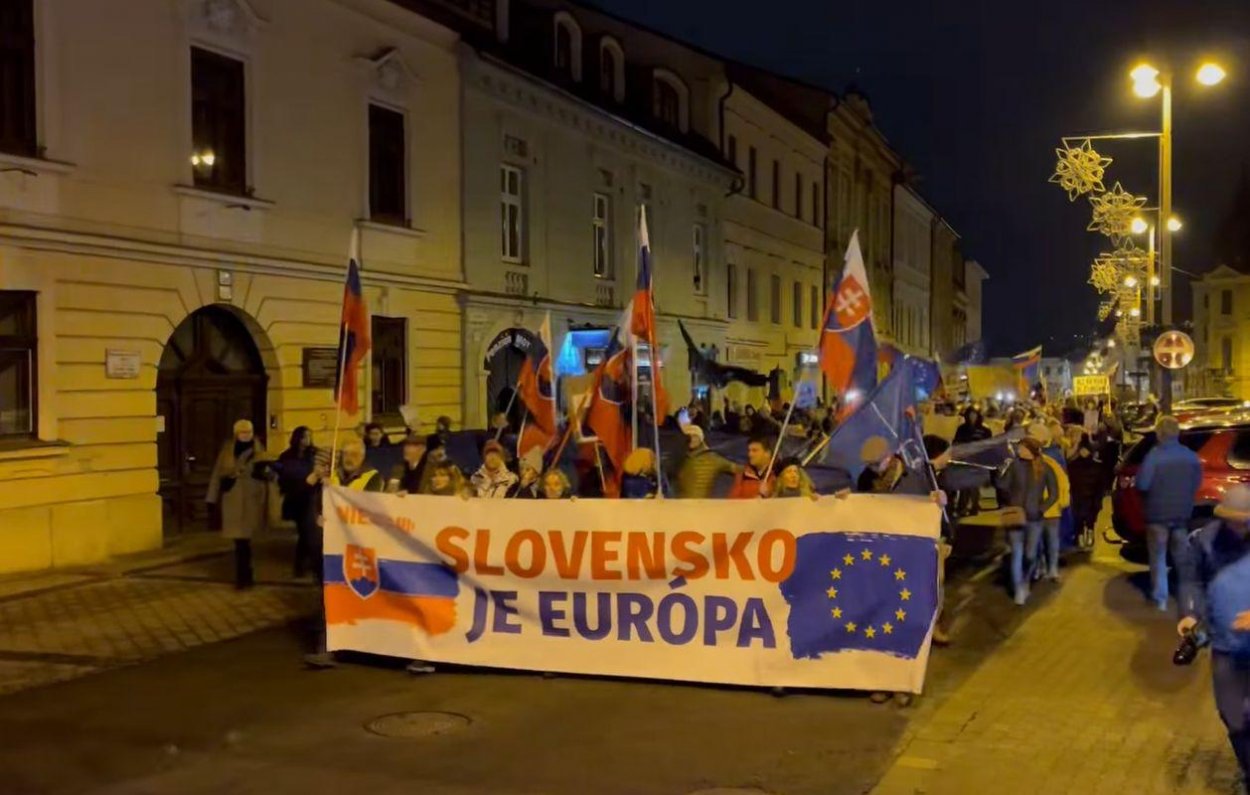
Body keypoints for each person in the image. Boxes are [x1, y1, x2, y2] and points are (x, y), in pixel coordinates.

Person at [1177, 485, 1250, 784]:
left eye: (1244, 521)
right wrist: (1190, 613)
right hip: (1225, 644)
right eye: (1232, 520)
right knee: (1232, 715)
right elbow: (1191, 580)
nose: (1238, 527)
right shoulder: (1204, 541)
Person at [1137, 414, 1203, 611]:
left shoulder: (1154, 456)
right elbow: (1197, 483)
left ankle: (1161, 599)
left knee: (1158, 556)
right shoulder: (1191, 456)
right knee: (1182, 558)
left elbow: (1142, 484)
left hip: (1157, 515)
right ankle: (1187, 597)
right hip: (1182, 514)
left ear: (1159, 433)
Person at [206, 419, 269, 589]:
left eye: (248, 432)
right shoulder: (228, 450)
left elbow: (268, 474)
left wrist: (265, 474)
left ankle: (245, 576)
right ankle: (244, 576)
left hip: (251, 499)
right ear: (236, 434)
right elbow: (217, 474)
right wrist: (211, 498)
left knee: (245, 541)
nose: (246, 435)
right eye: (242, 432)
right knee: (239, 541)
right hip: (232, 500)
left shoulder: (258, 450)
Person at [999, 437, 1058, 606]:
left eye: (1022, 448)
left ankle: (1025, 580)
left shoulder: (1045, 468)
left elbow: (1054, 493)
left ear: (1031, 450)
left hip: (1034, 518)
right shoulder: (1014, 466)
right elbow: (1002, 486)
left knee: (1030, 555)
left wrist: (1041, 508)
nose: (1019, 451)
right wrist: (1000, 475)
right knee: (1017, 553)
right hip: (1016, 516)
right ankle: (1019, 588)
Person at [276, 426, 318, 578]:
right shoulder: (287, 456)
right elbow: (283, 476)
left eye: (309, 436)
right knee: (304, 532)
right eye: (303, 437)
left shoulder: (314, 454)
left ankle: (305, 564)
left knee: (309, 532)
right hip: (296, 498)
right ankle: (301, 565)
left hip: (311, 497)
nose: (306, 440)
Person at [675, 424, 737, 499]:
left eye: (695, 436)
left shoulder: (712, 458)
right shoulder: (680, 459)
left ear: (701, 439)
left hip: (701, 504)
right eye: (689, 436)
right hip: (680, 504)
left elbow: (737, 469)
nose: (691, 439)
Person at [1067, 434, 1104, 551]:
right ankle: (1084, 536)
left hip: (1085, 497)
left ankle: (1084, 535)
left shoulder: (1073, 466)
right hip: (1083, 497)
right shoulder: (1096, 466)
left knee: (1086, 518)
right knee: (1084, 518)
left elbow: (1100, 486)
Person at [953, 408, 991, 515]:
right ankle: (962, 507)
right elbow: (956, 442)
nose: (972, 417)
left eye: (974, 415)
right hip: (965, 458)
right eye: (970, 415)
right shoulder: (962, 429)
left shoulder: (984, 430)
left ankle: (974, 506)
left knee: (974, 485)